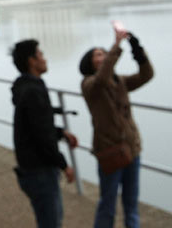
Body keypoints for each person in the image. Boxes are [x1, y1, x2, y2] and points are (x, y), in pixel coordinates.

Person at [79, 25, 154, 228]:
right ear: (89, 62)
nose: (102, 56)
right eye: (98, 55)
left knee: (131, 205)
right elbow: (101, 79)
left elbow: (147, 75)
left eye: (104, 53)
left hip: (132, 149)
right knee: (108, 204)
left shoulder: (119, 81)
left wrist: (137, 49)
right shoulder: (88, 85)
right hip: (110, 151)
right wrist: (116, 45)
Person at [11, 39, 78, 228]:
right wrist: (64, 164)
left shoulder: (24, 87)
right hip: (39, 170)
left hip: (30, 167)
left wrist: (61, 133)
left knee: (49, 220)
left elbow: (37, 125)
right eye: (40, 55)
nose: (45, 59)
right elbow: (42, 135)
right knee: (51, 222)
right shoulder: (33, 90)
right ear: (32, 61)